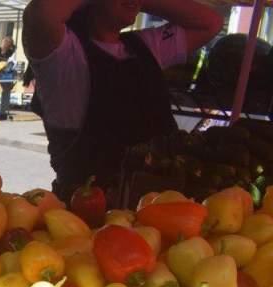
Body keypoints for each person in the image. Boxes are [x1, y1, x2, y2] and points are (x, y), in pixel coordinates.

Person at [23, 0, 222, 198]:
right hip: (88, 211)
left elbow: (210, 22)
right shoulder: (64, 55)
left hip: (161, 205)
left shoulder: (146, 46)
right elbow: (42, 12)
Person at [0, 36, 17, 120]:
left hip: (6, 74)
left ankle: (3, 113)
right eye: (3, 41)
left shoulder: (10, 51)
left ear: (8, 44)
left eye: (5, 42)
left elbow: (9, 60)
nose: (3, 43)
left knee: (5, 94)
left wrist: (0, 59)